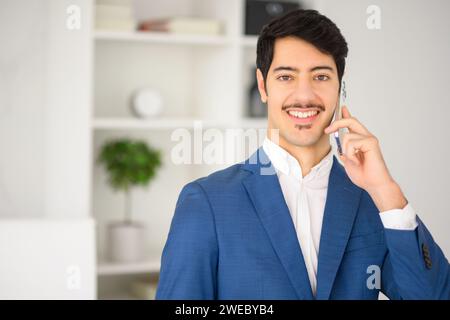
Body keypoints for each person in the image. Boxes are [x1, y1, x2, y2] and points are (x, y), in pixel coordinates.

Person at [156, 9, 449, 299]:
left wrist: (386, 190)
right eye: (286, 77)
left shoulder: (372, 200)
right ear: (263, 86)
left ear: (340, 87)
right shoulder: (207, 201)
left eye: (321, 76)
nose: (304, 95)